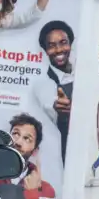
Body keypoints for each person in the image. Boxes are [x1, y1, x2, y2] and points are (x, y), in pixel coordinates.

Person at [0, 113, 56, 199]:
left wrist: (32, 193)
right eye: (15, 134)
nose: (18, 142)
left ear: (35, 151)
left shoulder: (46, 190)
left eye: (27, 138)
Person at [31, 20, 75, 163]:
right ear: (45, 50)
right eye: (51, 46)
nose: (58, 50)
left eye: (63, 42)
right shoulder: (44, 83)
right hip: (68, 148)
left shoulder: (82, 72)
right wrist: (61, 109)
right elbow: (51, 105)